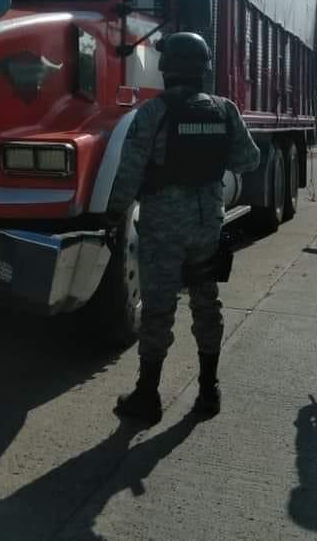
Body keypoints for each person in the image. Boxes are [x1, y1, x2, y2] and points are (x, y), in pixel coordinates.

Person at [107, 32, 261, 424]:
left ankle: (148, 396)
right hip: (207, 224)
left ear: (167, 68)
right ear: (203, 69)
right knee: (206, 303)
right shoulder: (224, 110)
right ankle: (209, 392)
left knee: (158, 310)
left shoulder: (152, 113)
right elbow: (248, 160)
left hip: (162, 229)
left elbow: (127, 175)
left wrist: (111, 217)